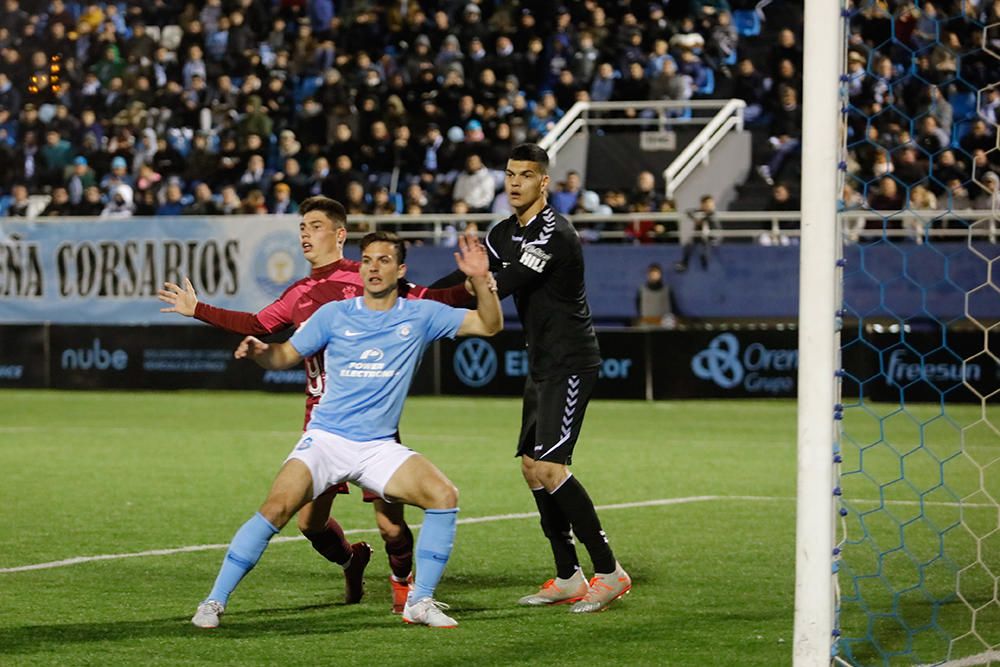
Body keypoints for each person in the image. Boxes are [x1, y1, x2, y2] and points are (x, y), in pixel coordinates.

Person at [158, 196, 469, 614]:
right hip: (321, 422)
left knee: (391, 524)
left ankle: (404, 587)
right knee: (309, 523)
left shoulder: (369, 278)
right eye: (302, 227)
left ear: (340, 234)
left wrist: (476, 284)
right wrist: (199, 309)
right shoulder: (299, 292)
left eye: (315, 226)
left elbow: (434, 299)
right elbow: (258, 326)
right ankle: (351, 559)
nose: (305, 233)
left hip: (372, 421)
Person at [447, 143, 632, 612]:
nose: (514, 183)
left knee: (551, 467)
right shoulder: (504, 232)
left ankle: (609, 572)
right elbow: (464, 279)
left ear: (543, 182)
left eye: (525, 175)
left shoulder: (555, 233)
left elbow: (497, 285)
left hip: (571, 360)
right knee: (532, 468)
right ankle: (569, 574)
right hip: (542, 362)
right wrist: (409, 297)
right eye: (509, 174)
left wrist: (476, 280)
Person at [675, 195, 721, 272]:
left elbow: (712, 221)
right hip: (698, 237)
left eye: (711, 204)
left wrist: (703, 219)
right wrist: (695, 218)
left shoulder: (712, 214)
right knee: (688, 245)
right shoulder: (699, 213)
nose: (709, 206)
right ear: (702, 205)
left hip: (710, 237)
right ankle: (684, 263)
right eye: (707, 204)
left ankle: (705, 260)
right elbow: (688, 211)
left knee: (706, 246)